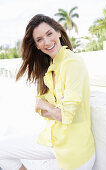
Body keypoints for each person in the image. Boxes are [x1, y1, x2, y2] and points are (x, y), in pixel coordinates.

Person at [0, 14, 95, 170]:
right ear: (36, 45)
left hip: (75, 153)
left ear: (58, 32)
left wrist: (50, 107)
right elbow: (39, 109)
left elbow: (66, 116)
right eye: (39, 39)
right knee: (1, 148)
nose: (47, 41)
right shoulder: (48, 68)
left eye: (49, 34)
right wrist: (53, 108)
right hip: (52, 139)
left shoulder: (72, 63)